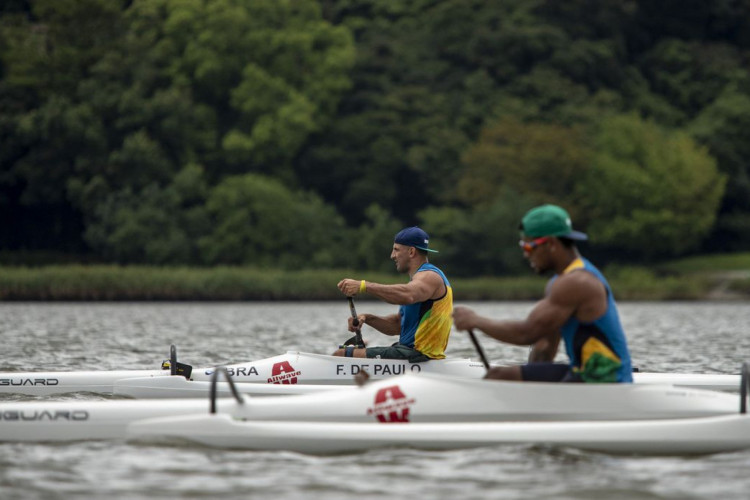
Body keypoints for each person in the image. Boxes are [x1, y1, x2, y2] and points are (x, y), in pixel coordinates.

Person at [453, 204, 633, 383]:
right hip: (582, 371)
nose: (525, 254)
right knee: (498, 376)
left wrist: (476, 320)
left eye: (528, 246)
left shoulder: (576, 282)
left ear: (551, 243)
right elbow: (544, 345)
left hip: (605, 379)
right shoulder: (559, 282)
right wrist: (530, 388)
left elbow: (526, 333)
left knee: (499, 377)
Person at [334, 227, 453, 362]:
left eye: (396, 249)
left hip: (417, 355)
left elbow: (408, 295)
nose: (392, 255)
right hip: (409, 353)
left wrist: (363, 286)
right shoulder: (418, 280)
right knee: (349, 350)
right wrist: (366, 318)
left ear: (411, 251)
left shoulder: (430, 276)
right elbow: (397, 325)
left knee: (340, 354)